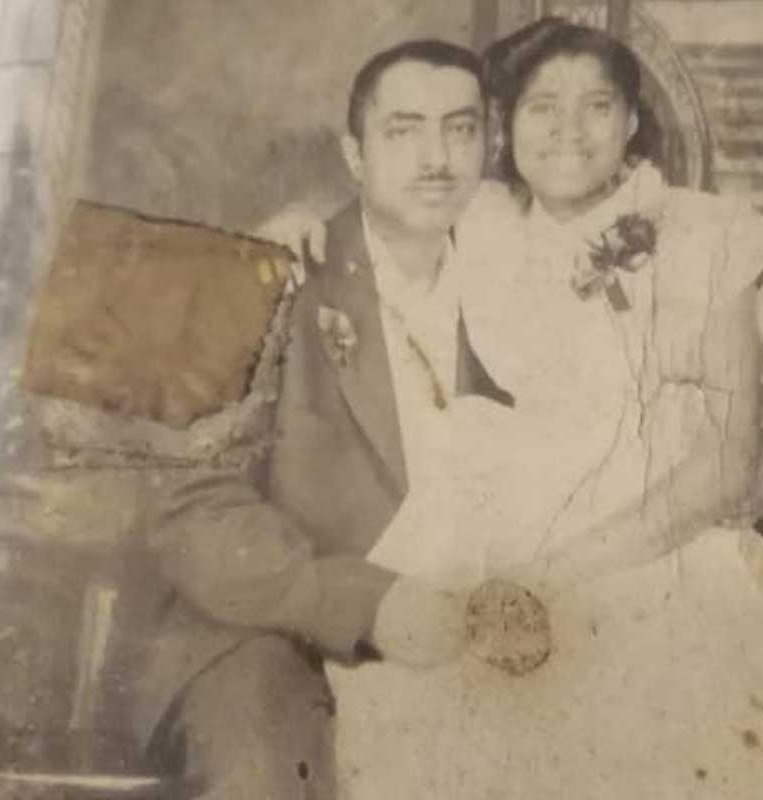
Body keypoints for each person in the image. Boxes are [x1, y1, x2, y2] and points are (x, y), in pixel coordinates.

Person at [326, 18, 763, 798]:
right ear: (504, 129)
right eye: (540, 108)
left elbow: (730, 464)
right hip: (506, 513)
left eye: (596, 106)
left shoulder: (707, 232)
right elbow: (372, 213)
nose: (567, 132)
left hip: (661, 528)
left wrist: (559, 573)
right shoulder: (483, 219)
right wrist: (293, 228)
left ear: (630, 121)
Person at [131, 39, 505, 799]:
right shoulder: (260, 271)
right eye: (403, 130)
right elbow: (194, 509)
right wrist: (362, 601)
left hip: (457, 632)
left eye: (459, 129)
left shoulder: (519, 288)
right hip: (267, 632)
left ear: (490, 147)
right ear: (355, 156)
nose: (436, 156)